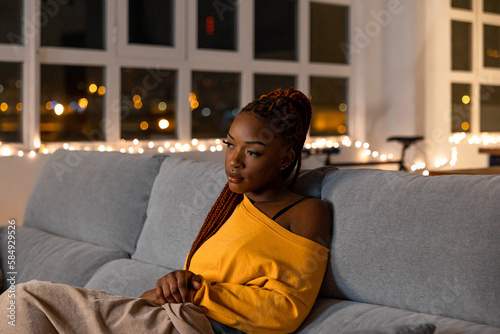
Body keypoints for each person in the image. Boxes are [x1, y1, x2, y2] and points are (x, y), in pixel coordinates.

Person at [0, 88, 331, 334]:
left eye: (253, 152)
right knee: (24, 302)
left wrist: (197, 290)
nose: (234, 161)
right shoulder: (230, 206)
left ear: (285, 159)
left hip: (196, 328)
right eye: (230, 144)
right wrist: (176, 281)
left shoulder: (306, 212)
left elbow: (287, 310)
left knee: (28, 299)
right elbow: (194, 288)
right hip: (169, 317)